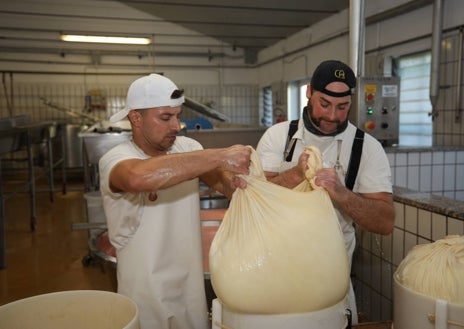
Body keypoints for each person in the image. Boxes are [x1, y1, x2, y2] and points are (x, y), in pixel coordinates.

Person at [98, 73, 252, 329]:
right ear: (136, 118)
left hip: (189, 287)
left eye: (178, 116)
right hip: (145, 290)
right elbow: (139, 177)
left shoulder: (188, 147)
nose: (176, 126)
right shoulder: (116, 159)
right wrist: (221, 155)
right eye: (165, 117)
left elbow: (227, 186)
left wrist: (283, 178)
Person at [256, 60, 395, 324]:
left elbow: (384, 221)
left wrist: (341, 193)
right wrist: (296, 174)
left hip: (331, 280)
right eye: (324, 104)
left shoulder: (366, 148)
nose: (332, 116)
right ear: (309, 92)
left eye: (342, 107)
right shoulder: (278, 137)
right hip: (274, 271)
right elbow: (255, 197)